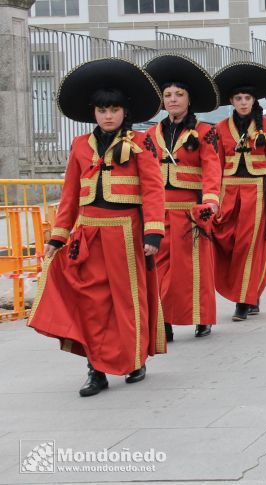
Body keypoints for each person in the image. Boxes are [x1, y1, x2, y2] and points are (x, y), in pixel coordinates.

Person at [28, 58, 166, 396]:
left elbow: (152, 190)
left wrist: (153, 233)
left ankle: (135, 359)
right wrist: (58, 237)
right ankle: (95, 370)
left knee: (127, 300)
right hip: (87, 235)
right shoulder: (79, 146)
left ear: (124, 112)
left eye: (114, 109)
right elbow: (70, 195)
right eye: (102, 109)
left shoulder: (140, 143)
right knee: (91, 303)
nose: (108, 115)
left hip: (126, 233)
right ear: (94, 112)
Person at [144, 54, 221, 341]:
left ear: (189, 99)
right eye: (167, 95)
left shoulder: (205, 132)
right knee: (159, 267)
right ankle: (163, 320)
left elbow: (213, 167)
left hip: (191, 210)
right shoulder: (150, 134)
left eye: (179, 94)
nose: (173, 99)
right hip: (158, 210)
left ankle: (202, 317)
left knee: (194, 267)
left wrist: (211, 199)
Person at [213, 61, 266, 321]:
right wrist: (211, 198)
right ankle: (253, 290)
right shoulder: (220, 128)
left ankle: (243, 301)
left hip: (256, 194)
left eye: (247, 98)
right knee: (229, 244)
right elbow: (214, 167)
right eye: (238, 98)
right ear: (231, 101)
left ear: (253, 100)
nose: (243, 103)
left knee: (249, 246)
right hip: (228, 195)